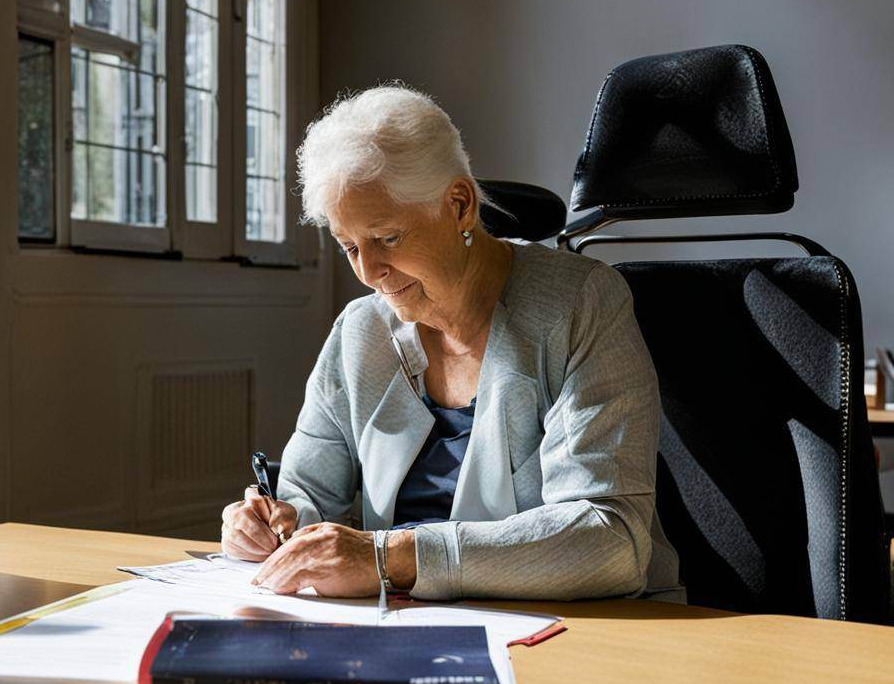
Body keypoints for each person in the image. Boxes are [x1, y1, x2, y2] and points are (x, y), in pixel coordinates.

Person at [220, 85, 683, 602]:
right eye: (350, 246)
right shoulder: (360, 331)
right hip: (400, 625)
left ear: (460, 205)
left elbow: (610, 540)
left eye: (388, 238)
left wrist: (391, 559)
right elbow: (307, 496)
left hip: (580, 630)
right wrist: (270, 526)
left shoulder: (581, 303)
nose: (369, 272)